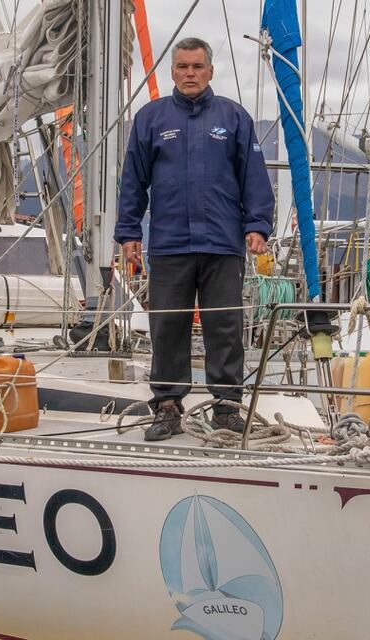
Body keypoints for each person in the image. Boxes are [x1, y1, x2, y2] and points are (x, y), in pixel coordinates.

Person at [114, 37, 274, 441]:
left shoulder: (234, 118)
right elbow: (133, 181)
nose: (190, 74)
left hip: (222, 243)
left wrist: (257, 225)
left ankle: (227, 409)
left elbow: (253, 176)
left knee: (225, 327)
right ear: (172, 71)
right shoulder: (150, 119)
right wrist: (129, 231)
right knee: (168, 328)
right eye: (183, 67)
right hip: (170, 244)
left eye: (197, 67)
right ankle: (167, 407)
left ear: (210, 71)